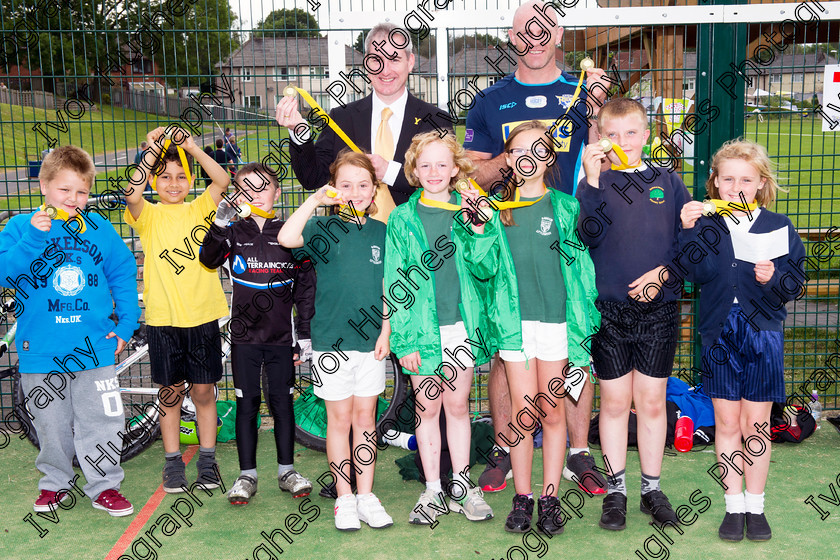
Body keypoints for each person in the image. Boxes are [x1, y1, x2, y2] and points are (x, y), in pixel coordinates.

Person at [464, 0, 610, 496]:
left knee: (574, 348)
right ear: (512, 38)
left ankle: (578, 451)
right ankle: (507, 447)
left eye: (544, 29)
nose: (534, 38)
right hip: (512, 234)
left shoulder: (584, 92)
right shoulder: (489, 100)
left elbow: (614, 163)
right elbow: (474, 171)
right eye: (525, 30)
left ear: (559, 37)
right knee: (509, 351)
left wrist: (597, 116)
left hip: (576, 235)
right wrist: (515, 156)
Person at [0, 146, 140, 516]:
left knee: (103, 421)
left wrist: (126, 323)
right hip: (41, 349)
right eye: (64, 190)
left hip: (94, 348)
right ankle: (55, 484)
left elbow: (123, 274)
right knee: (51, 425)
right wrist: (32, 238)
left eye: (81, 192)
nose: (73, 199)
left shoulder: (99, 229)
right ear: (44, 186)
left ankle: (105, 486)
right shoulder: (19, 228)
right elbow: (5, 274)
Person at [679, 140, 805, 542]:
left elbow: (795, 283)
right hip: (719, 332)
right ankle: (733, 507)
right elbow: (692, 273)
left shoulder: (778, 226)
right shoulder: (705, 224)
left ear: (761, 184)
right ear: (714, 182)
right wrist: (686, 230)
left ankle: (756, 504)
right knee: (728, 423)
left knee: (757, 423)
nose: (736, 187)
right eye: (727, 178)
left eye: (746, 180)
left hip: (763, 332)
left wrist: (775, 278)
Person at [578, 97, 690, 530]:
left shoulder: (669, 182)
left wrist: (662, 275)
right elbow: (586, 236)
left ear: (647, 136)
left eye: (631, 133)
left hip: (659, 312)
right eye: (612, 134)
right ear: (600, 139)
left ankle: (651, 488)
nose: (622, 142)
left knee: (651, 402)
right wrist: (590, 179)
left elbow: (689, 247)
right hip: (609, 313)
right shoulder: (595, 184)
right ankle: (617, 489)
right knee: (614, 402)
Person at [489, 121, 599, 535]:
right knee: (523, 415)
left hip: (555, 324)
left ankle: (550, 498)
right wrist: (479, 227)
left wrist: (581, 331)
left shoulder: (566, 207)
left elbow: (582, 274)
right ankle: (523, 497)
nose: (528, 157)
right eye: (518, 150)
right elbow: (482, 268)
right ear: (509, 158)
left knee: (552, 413)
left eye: (538, 149)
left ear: (550, 157)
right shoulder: (498, 209)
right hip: (515, 327)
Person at [277, 150, 393, 531]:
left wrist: (387, 330)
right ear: (334, 188)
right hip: (332, 343)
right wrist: (314, 200)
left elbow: (389, 287)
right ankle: (344, 498)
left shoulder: (384, 231)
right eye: (346, 185)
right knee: (339, 421)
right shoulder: (322, 230)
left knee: (366, 420)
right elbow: (286, 236)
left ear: (374, 190)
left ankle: (366, 495)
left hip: (372, 344)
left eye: (363, 185)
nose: (355, 192)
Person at [387, 132, 499, 526]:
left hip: (459, 330)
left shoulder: (471, 210)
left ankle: (463, 486)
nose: (434, 172)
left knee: (458, 407)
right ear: (414, 171)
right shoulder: (402, 218)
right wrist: (404, 339)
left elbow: (487, 270)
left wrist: (482, 228)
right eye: (425, 165)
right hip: (421, 331)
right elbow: (394, 280)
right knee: (427, 408)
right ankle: (433, 489)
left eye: (442, 164)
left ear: (455, 169)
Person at [200, 163, 316, 505]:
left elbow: (306, 288)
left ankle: (287, 471)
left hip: (282, 340)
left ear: (277, 192)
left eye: (262, 187)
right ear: (237, 195)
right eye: (246, 189)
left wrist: (305, 332)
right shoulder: (233, 231)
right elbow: (208, 259)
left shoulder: (292, 232)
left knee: (282, 404)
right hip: (244, 339)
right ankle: (247, 475)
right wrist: (219, 223)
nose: (254, 194)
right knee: (246, 404)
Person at [124, 126, 231, 493]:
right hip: (163, 319)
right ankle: (172, 465)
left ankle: (207, 460)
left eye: (181, 177)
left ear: (189, 182)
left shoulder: (201, 207)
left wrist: (191, 147)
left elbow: (222, 178)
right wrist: (153, 148)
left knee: (202, 392)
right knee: (170, 394)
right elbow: (131, 191)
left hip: (201, 318)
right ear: (155, 181)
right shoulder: (148, 216)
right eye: (165, 177)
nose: (173, 184)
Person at [275, 22, 453, 222]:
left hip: (417, 242)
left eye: (394, 59)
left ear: (410, 62)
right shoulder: (341, 118)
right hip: (353, 240)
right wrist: (299, 132)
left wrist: (390, 172)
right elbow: (312, 178)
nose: (385, 70)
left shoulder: (437, 120)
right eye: (377, 60)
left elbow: (448, 181)